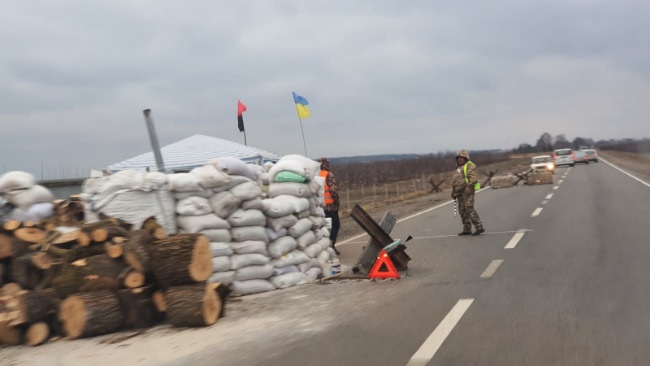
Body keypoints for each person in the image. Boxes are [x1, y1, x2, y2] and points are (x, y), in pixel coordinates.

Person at [451, 149, 485, 236]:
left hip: (467, 190)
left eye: (462, 158)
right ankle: (467, 229)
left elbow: (473, 178)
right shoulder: (458, 168)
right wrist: (453, 191)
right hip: (459, 192)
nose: (460, 159)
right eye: (458, 158)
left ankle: (479, 227)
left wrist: (468, 188)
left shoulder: (469, 166)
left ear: (466, 158)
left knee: (469, 208)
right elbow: (455, 181)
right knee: (462, 210)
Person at [319, 157, 341, 255]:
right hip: (330, 206)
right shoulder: (328, 175)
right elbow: (333, 190)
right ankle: (331, 245)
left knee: (323, 227)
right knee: (335, 225)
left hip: (319, 207)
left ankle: (323, 247)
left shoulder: (315, 175)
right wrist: (336, 202)